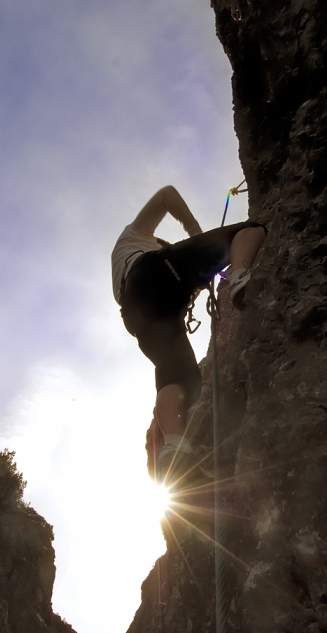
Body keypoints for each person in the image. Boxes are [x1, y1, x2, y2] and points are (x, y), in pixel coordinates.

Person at [112, 185, 266, 485]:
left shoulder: (122, 266)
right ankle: (240, 276)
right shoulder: (135, 237)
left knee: (181, 379)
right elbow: (167, 194)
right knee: (250, 229)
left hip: (139, 317)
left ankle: (175, 447)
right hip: (152, 277)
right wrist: (195, 232)